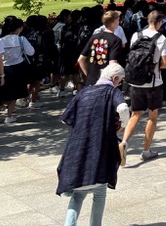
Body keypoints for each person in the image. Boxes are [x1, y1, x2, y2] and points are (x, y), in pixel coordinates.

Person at [56, 63, 129, 226]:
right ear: (115, 78)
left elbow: (65, 118)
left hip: (78, 152)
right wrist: (122, 125)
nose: (120, 84)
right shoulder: (112, 92)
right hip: (99, 152)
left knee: (77, 196)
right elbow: (123, 108)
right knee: (99, 194)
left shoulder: (84, 92)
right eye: (120, 81)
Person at [121, 10, 166, 164]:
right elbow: (165, 63)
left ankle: (123, 142)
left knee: (135, 114)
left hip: (135, 81)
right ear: (160, 22)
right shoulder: (161, 38)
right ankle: (146, 150)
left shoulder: (136, 35)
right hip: (153, 82)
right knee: (152, 116)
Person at [78, 11, 124, 89]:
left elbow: (81, 59)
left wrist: (88, 75)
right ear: (114, 21)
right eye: (118, 20)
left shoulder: (94, 37)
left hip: (91, 81)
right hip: (106, 82)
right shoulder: (116, 40)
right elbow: (112, 63)